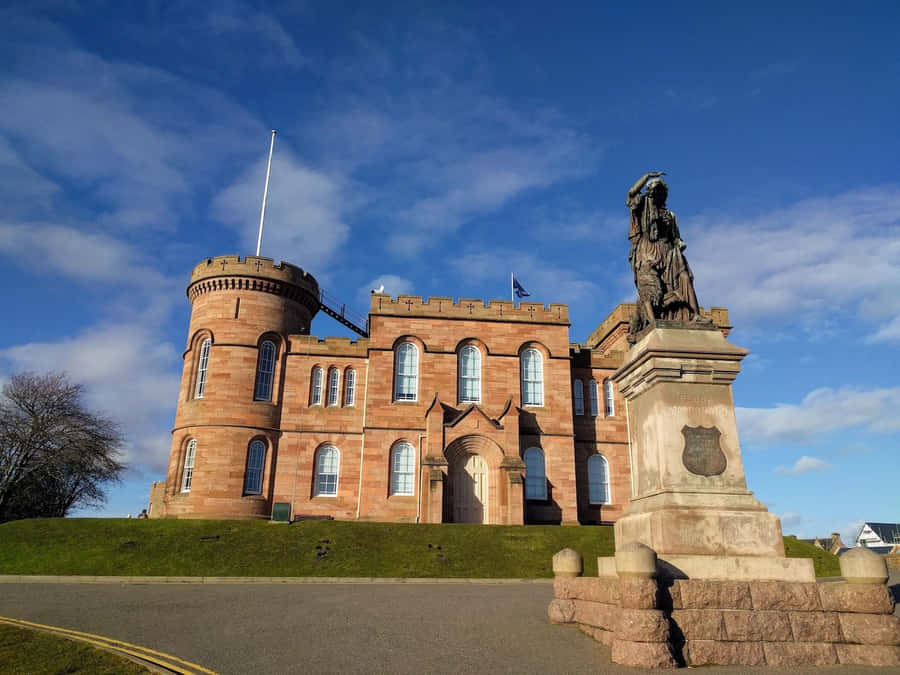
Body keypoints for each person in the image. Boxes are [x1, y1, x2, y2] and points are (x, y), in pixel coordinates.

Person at [626, 171, 704, 337]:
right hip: (648, 251)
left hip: (668, 252)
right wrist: (647, 177)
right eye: (654, 191)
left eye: (660, 192)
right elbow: (632, 193)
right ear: (649, 192)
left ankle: (695, 315)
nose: (657, 194)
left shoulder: (670, 215)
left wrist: (679, 244)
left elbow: (676, 237)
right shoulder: (642, 206)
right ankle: (653, 320)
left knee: (684, 277)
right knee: (652, 289)